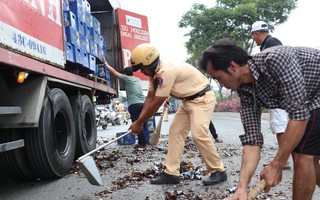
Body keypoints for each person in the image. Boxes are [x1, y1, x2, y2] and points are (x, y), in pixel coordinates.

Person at [199, 38, 320, 200]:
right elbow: (252, 140)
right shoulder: (245, 90)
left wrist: (276, 165)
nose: (219, 84)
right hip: (310, 100)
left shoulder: (276, 60)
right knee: (308, 158)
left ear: (232, 66)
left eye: (218, 77)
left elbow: (299, 116)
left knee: (302, 155)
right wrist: (241, 188)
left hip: (315, 95)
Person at [129, 43, 227, 185]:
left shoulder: (166, 71)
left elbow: (157, 102)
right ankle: (171, 173)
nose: (142, 72)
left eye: (142, 68)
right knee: (175, 131)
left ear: (150, 63)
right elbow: (149, 98)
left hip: (202, 98)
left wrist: (138, 123)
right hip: (187, 101)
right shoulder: (154, 74)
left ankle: (218, 171)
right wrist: (139, 121)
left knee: (198, 134)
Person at [251, 21, 289, 169]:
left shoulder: (271, 42)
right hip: (278, 92)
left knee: (280, 125)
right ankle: (284, 158)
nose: (254, 39)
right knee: (278, 125)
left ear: (256, 34)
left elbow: (277, 66)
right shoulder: (268, 43)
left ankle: (284, 160)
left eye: (253, 36)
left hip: (279, 92)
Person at [102, 54, 148, 148]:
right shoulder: (137, 79)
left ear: (125, 74)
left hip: (134, 105)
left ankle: (144, 144)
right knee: (143, 123)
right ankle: (142, 142)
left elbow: (114, 72)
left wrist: (106, 64)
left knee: (136, 123)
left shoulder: (126, 78)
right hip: (143, 104)